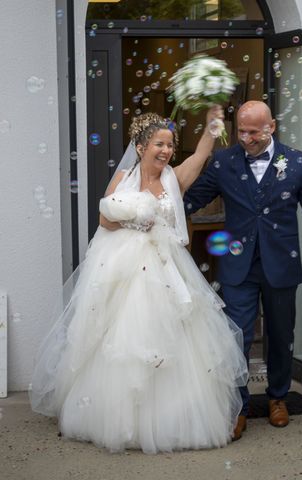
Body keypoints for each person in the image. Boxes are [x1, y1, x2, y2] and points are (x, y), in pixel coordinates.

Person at [29, 107, 249, 453]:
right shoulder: (124, 179)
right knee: (122, 339)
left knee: (174, 340)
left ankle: (171, 420)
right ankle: (120, 419)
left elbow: (205, 150)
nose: (166, 151)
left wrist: (214, 121)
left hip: (166, 268)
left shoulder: (174, 179)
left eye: (171, 145)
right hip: (125, 267)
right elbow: (104, 219)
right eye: (160, 144)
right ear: (142, 146)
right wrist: (134, 220)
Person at [184, 101, 302, 440]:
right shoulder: (224, 161)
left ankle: (278, 398)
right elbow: (192, 198)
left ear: (272, 127)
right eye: (241, 131)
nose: (247, 138)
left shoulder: (296, 161)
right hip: (238, 266)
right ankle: (237, 407)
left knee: (281, 335)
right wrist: (156, 199)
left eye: (254, 131)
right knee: (235, 337)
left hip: (281, 263)